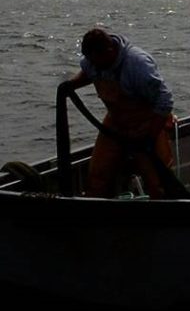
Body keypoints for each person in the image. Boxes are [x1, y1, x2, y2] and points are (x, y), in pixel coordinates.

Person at [60, 28, 178, 198]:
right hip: (115, 123)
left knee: (158, 183)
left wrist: (150, 137)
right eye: (90, 61)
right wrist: (70, 85)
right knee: (98, 175)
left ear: (110, 51)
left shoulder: (137, 65)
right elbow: (89, 73)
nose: (94, 66)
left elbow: (164, 101)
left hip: (145, 125)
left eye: (97, 61)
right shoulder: (93, 62)